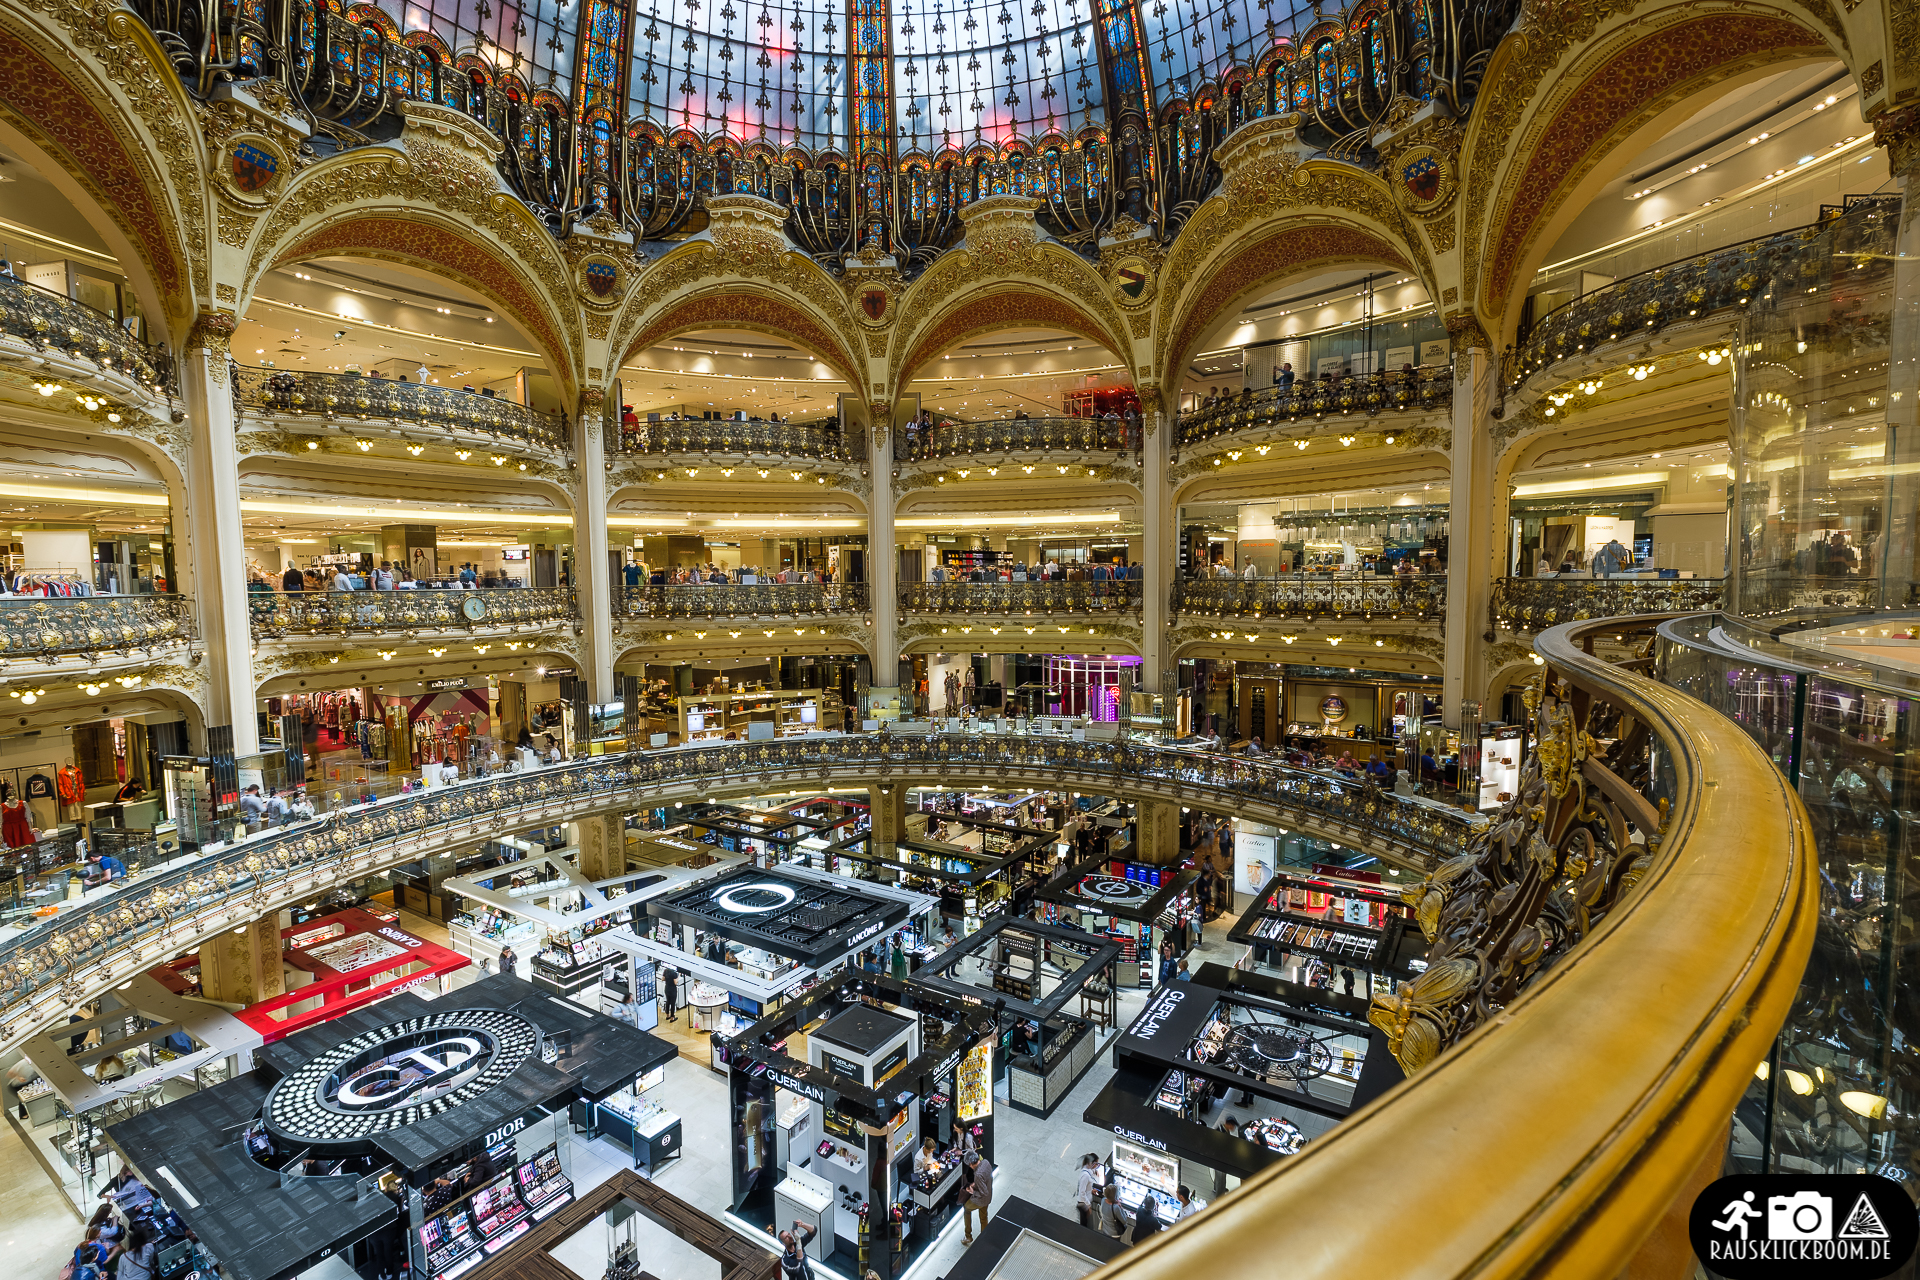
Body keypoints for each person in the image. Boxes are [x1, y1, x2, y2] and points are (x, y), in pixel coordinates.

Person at [960, 1150, 992, 1244]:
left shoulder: (978, 1175)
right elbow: (986, 1179)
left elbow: (984, 1193)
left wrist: (973, 1191)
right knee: (983, 1217)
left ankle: (968, 1236)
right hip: (988, 1197)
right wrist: (976, 1184)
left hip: (981, 1199)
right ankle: (984, 1238)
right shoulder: (986, 1162)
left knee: (967, 1209)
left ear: (970, 1164)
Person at [1073, 1153, 1102, 1229]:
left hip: (1085, 1204)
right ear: (1091, 1163)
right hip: (1084, 1205)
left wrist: (1091, 1190)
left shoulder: (1087, 1171)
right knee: (1085, 1226)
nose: (1097, 1166)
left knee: (1086, 1224)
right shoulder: (1085, 1176)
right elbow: (1081, 1193)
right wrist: (1088, 1206)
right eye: (1096, 1164)